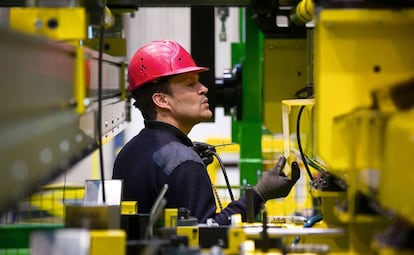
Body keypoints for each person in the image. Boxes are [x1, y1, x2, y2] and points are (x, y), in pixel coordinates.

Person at [112, 39, 300, 225]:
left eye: (198, 82)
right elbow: (207, 236)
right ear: (162, 100)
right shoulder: (183, 162)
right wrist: (260, 194)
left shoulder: (129, 152)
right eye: (189, 84)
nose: (203, 89)